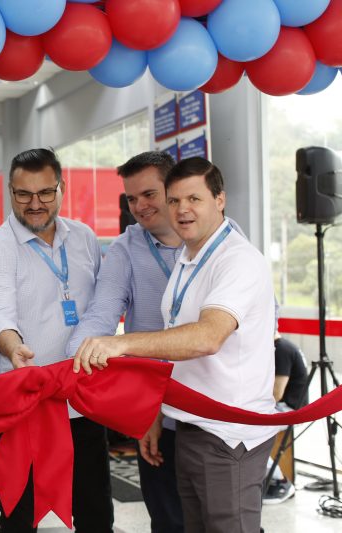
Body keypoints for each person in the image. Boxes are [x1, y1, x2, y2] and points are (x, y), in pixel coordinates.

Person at [74, 157, 279, 533]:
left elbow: (207, 336)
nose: (181, 209)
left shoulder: (237, 259)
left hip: (227, 431)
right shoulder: (189, 257)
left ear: (219, 199)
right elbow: (166, 347)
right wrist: (155, 412)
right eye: (174, 201)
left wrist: (121, 346)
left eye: (193, 199)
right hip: (187, 424)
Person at [0, 148, 113, 533]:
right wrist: (12, 346)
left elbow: (101, 307)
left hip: (82, 399)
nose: (35, 204)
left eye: (45, 193)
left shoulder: (85, 238)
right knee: (19, 514)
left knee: (95, 511)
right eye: (24, 194)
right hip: (25, 401)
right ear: (10, 192)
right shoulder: (0, 247)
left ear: (61, 188)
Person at [65, 151, 183, 533]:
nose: (140, 207)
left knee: (220, 516)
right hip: (155, 405)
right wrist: (74, 360)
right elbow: (101, 313)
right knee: (166, 517)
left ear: (174, 189)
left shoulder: (212, 238)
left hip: (213, 400)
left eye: (149, 194)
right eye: (132, 199)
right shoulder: (125, 248)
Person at [263, 332, 308, 504]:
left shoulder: (280, 350)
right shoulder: (282, 347)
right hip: (286, 406)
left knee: (248, 434)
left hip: (289, 409)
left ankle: (281, 481)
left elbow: (277, 393)